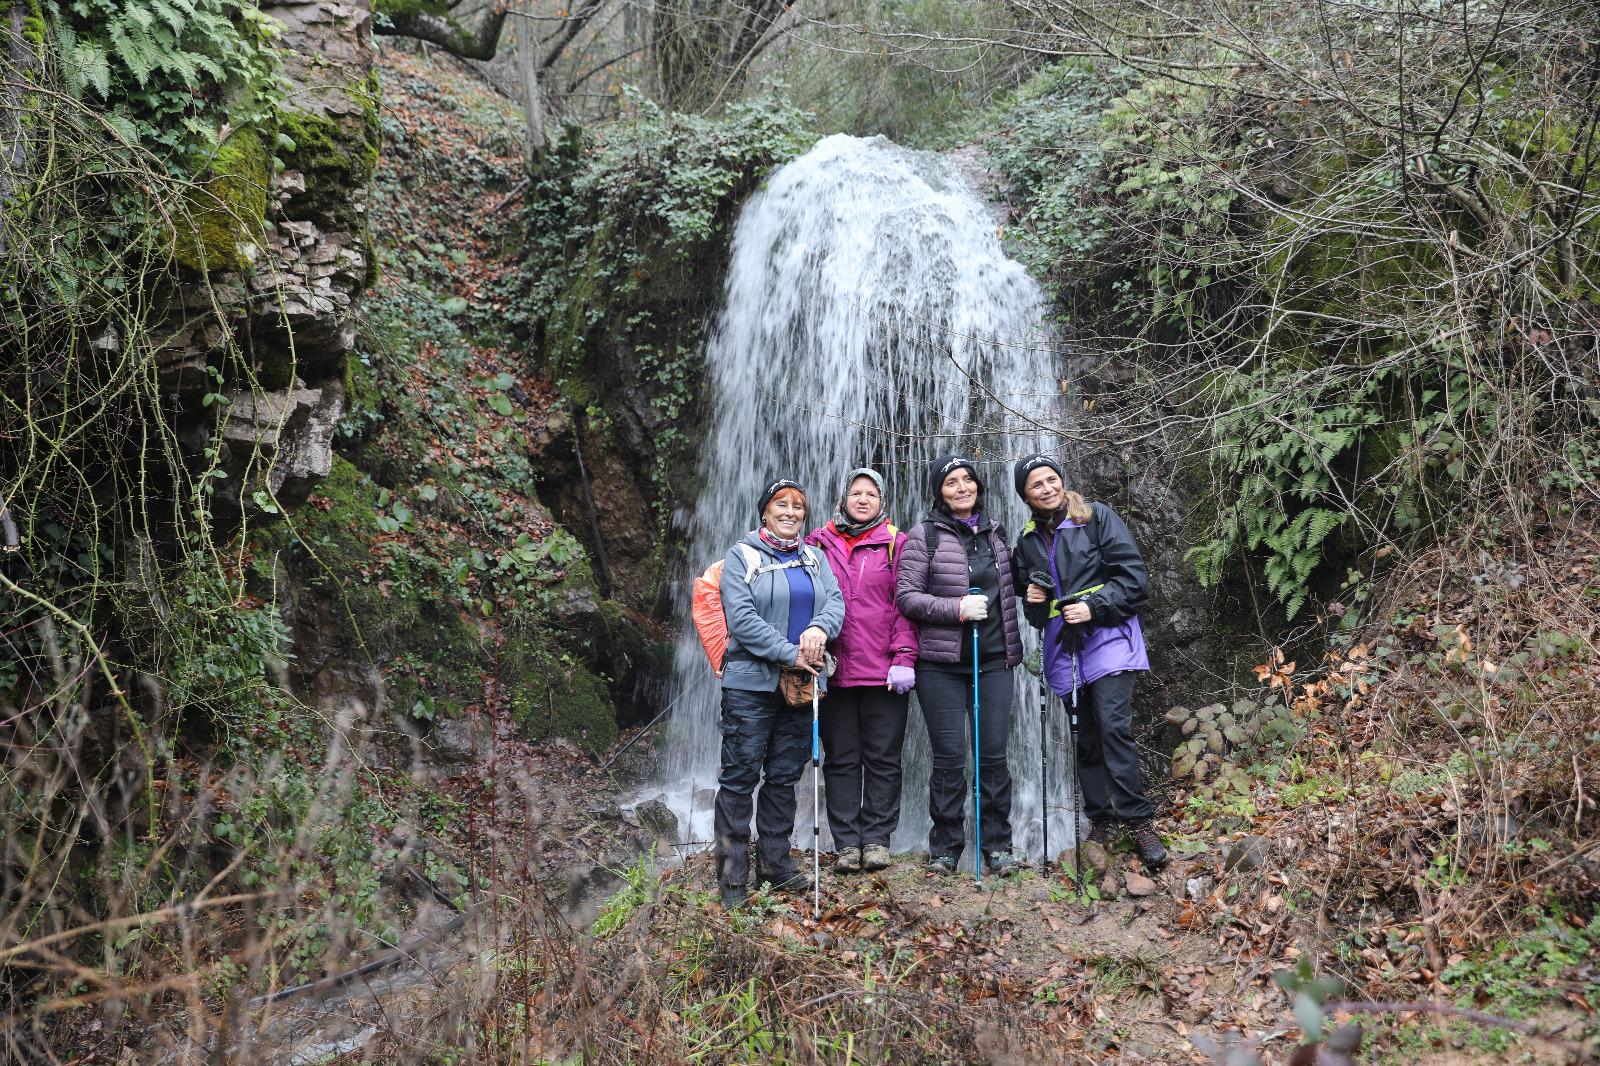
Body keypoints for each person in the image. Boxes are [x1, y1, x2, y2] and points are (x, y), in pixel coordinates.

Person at [1010, 454, 1167, 872]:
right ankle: (1101, 820)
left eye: (1051, 479)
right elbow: (1035, 617)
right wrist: (1035, 603)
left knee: (1114, 726)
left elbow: (1133, 579)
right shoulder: (1025, 542)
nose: (1047, 488)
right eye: (1035, 484)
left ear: (1062, 480)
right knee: (1086, 735)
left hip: (1109, 637)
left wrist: (1093, 607)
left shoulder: (1096, 518)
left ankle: (1138, 821)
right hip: (1065, 648)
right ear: (1025, 496)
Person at [714, 478, 847, 908]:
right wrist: (791, 653)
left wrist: (818, 629)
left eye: (798, 507)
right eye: (781, 505)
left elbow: (836, 603)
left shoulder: (814, 557)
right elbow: (742, 620)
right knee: (739, 777)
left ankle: (775, 865)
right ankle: (733, 877)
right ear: (764, 511)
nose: (790, 512)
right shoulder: (742, 556)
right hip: (750, 687)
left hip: (800, 689)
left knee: (784, 778)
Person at [895, 455, 1025, 876]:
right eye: (952, 482)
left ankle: (997, 845)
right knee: (949, 758)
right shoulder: (923, 537)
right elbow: (907, 597)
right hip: (941, 667)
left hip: (993, 663)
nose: (962, 487)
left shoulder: (998, 535)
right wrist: (956, 609)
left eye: (968, 479)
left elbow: (1017, 586)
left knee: (992, 756)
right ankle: (946, 847)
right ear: (940, 491)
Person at [806, 468, 918, 875]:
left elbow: (905, 605)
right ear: (843, 500)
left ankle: (877, 839)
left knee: (884, 757)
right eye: (856, 492)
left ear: (882, 502)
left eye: (871, 493)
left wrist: (904, 656)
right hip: (833, 670)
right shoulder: (817, 543)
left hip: (883, 671)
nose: (863, 499)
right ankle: (847, 843)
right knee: (841, 758)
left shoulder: (897, 543)